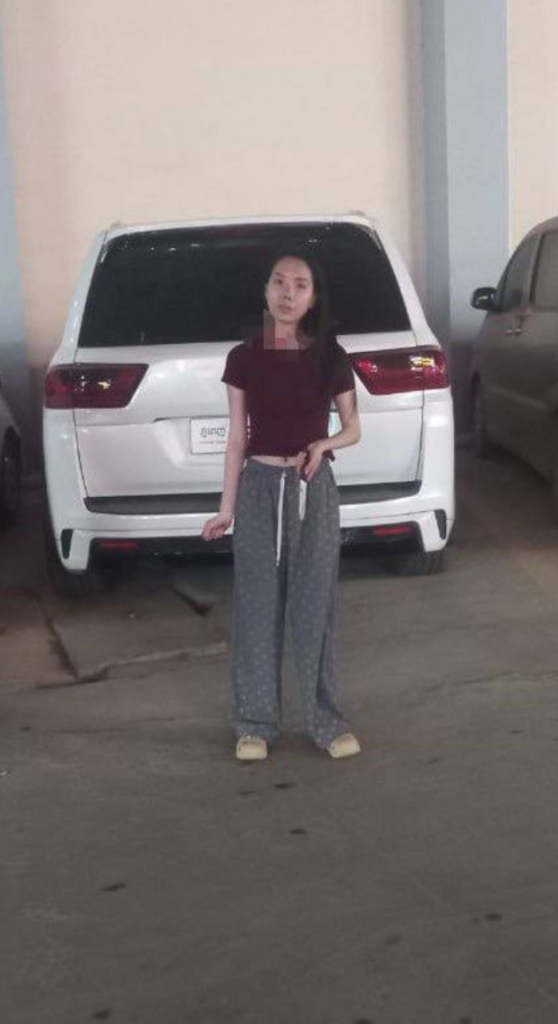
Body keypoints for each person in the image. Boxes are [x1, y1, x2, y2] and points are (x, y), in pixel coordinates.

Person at [202, 248, 362, 761]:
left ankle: (326, 721)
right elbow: (236, 438)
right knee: (256, 609)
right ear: (265, 291)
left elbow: (353, 428)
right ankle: (254, 723)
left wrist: (323, 445)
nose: (288, 293)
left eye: (300, 284)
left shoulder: (330, 357)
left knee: (315, 609)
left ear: (313, 298)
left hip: (313, 490)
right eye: (279, 282)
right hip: (258, 488)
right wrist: (226, 509)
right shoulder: (244, 357)